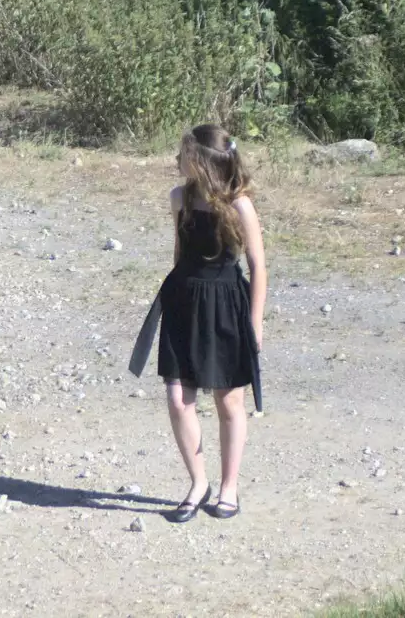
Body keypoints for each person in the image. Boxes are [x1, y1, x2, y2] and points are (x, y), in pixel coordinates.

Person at [129, 124, 266, 523]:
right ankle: (198, 482)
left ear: (202, 160)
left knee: (229, 400)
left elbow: (258, 266)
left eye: (185, 152)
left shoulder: (239, 205)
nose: (178, 158)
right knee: (177, 399)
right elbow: (178, 252)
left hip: (225, 304)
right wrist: (174, 306)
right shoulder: (179, 198)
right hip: (183, 301)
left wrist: (254, 323)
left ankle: (229, 487)